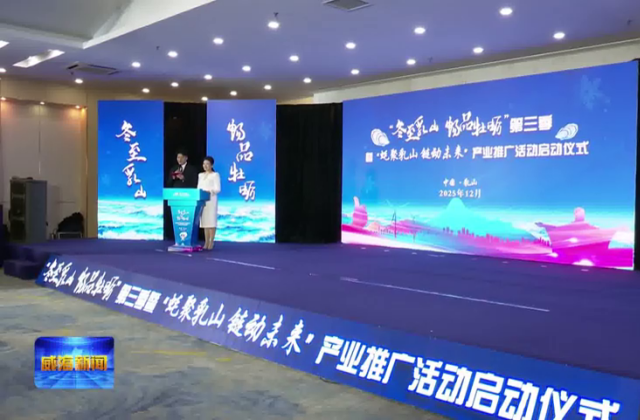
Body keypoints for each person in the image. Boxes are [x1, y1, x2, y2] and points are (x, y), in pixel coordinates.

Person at [197, 156, 221, 249]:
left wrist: (209, 191)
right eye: (204, 164)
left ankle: (211, 242)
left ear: (212, 165)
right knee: (205, 222)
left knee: (211, 221)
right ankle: (206, 242)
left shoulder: (215, 175)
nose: (205, 166)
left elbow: (218, 189)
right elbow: (198, 188)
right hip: (202, 201)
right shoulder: (200, 175)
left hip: (211, 200)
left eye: (207, 164)